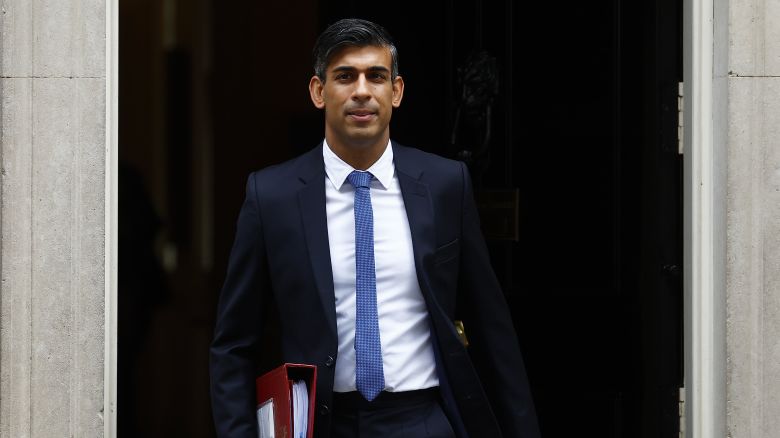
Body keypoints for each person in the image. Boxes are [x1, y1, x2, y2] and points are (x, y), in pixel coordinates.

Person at [210, 18, 539, 438]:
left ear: (396, 92)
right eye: (345, 76)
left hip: (423, 420)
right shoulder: (270, 196)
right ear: (318, 91)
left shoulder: (444, 185)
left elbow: (493, 331)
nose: (362, 91)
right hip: (321, 425)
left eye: (376, 76)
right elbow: (234, 345)